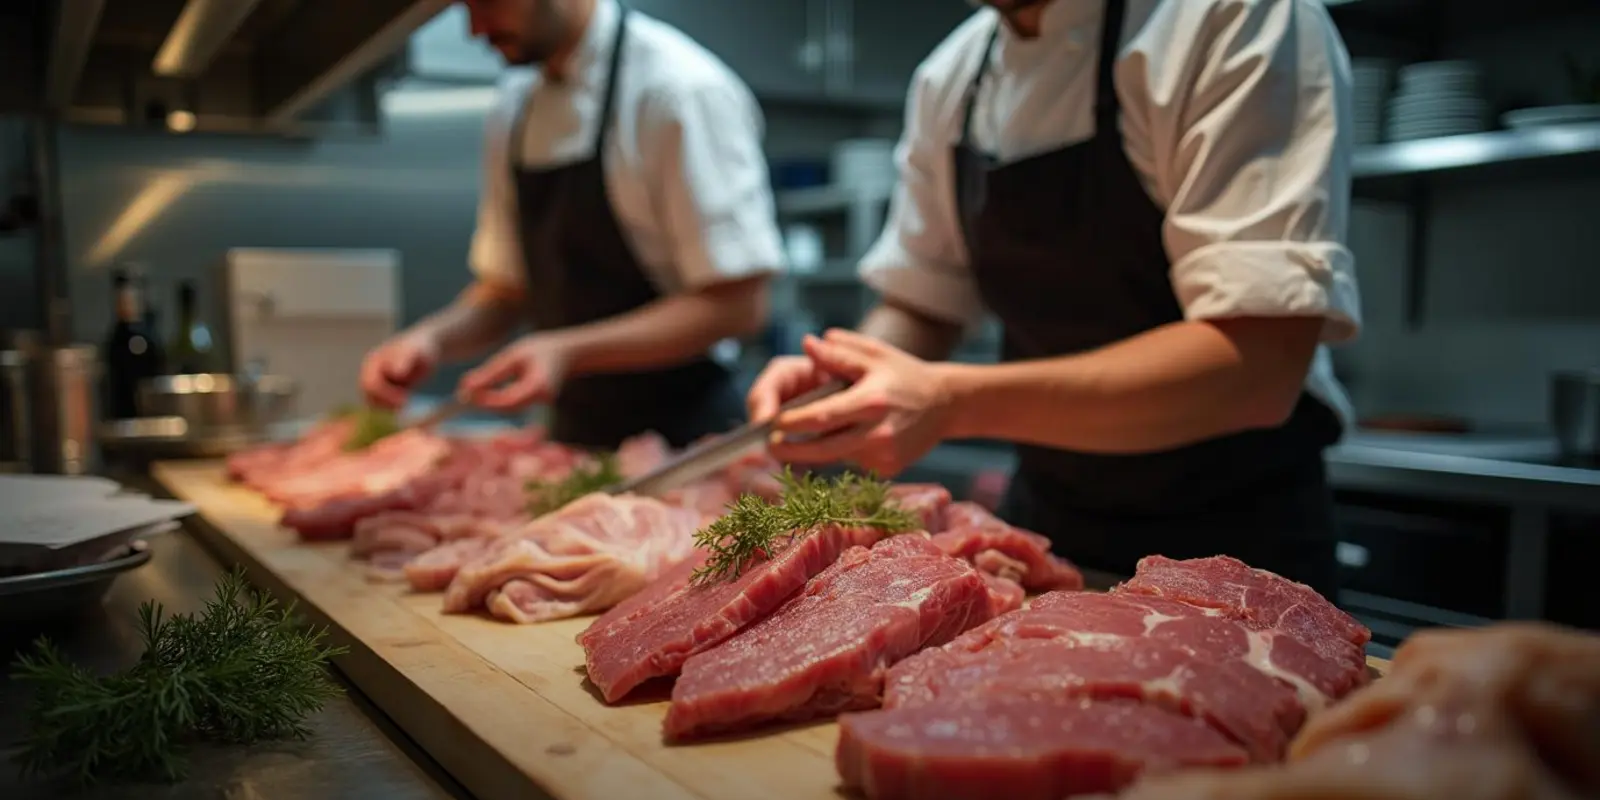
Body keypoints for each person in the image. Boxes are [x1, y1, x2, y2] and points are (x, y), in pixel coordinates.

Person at [747, 0, 1361, 600]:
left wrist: (948, 402)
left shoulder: (1234, 17)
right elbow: (924, 301)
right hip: (1046, 531)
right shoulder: (952, 78)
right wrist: (847, 373)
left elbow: (1257, 364)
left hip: (1235, 554)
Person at [362, 0, 785, 449]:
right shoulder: (514, 107)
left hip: (687, 443)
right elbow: (506, 293)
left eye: (488, 3)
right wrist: (431, 340)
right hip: (571, 442)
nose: (474, 29)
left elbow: (740, 305)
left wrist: (566, 351)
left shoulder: (679, 90)